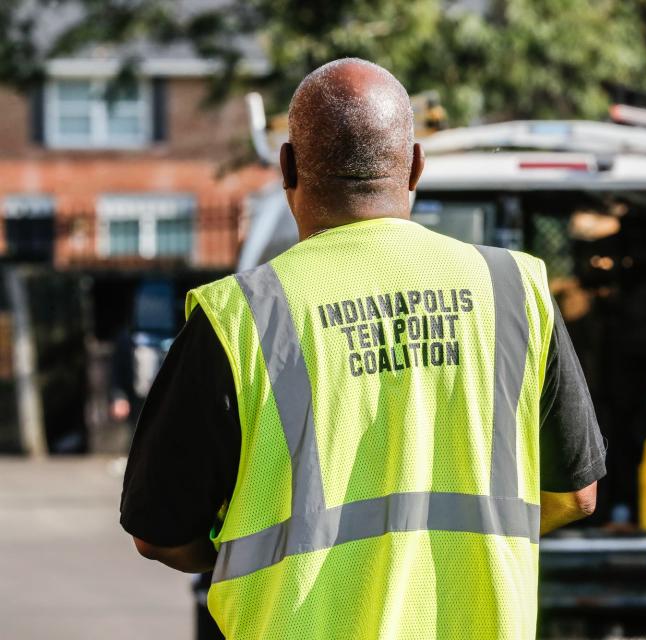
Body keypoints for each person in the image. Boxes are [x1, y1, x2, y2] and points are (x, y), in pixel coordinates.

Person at [120, 58, 606, 639]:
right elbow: (575, 495)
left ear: (288, 167)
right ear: (416, 166)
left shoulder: (242, 317)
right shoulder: (514, 290)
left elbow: (160, 532)